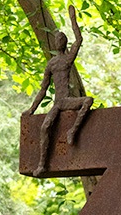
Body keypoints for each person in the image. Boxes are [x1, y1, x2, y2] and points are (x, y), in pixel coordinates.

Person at [23, 5, 93, 176]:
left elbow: (79, 40)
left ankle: (73, 131)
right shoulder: (52, 64)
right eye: (57, 38)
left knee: (88, 100)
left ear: (64, 42)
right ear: (55, 43)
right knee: (45, 127)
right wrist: (32, 109)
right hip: (57, 103)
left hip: (67, 101)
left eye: (62, 38)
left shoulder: (68, 59)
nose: (59, 40)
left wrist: (73, 19)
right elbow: (43, 89)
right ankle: (42, 165)